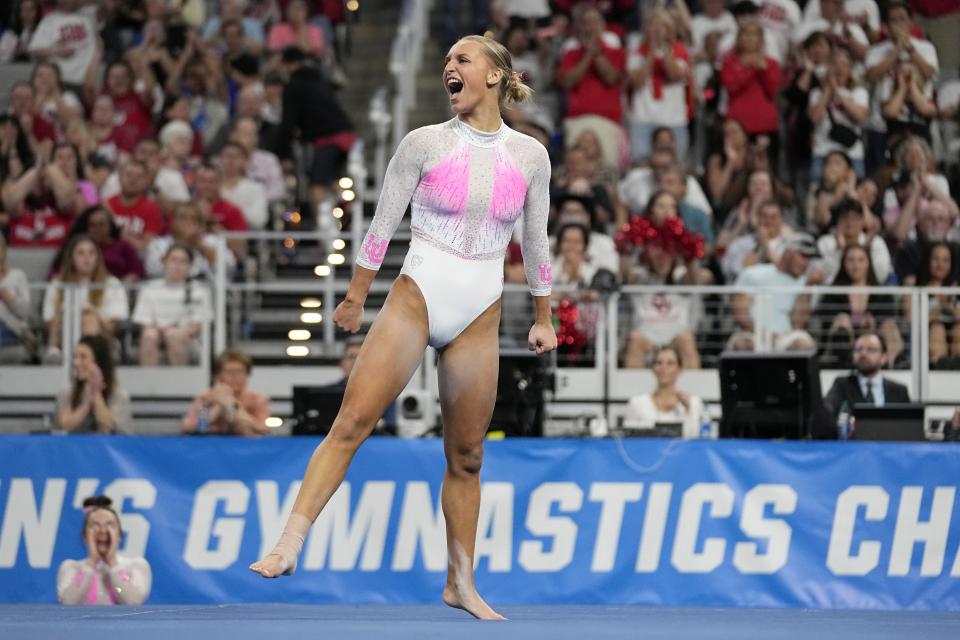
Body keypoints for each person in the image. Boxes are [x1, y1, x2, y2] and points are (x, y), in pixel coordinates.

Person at [250, 35, 556, 621]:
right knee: (352, 423)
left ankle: (460, 581)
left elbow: (536, 240)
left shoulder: (531, 156)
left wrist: (545, 316)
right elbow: (382, 222)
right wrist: (354, 296)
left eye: (462, 59)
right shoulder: (423, 143)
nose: (450, 66)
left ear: (494, 75)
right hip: (417, 296)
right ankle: (288, 543)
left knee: (467, 456)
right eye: (446, 61)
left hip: (480, 313)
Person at [42, 235, 129, 363]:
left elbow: (112, 326)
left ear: (98, 257)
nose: (87, 258)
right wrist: (64, 314)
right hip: (64, 335)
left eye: (91, 253)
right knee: (65, 314)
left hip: (103, 339)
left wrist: (93, 312)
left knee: (89, 318)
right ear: (71, 258)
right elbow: (48, 323)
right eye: (80, 253)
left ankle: (85, 359)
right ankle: (60, 353)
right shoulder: (57, 284)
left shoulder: (112, 284)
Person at [730, 234, 822, 352]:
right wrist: (764, 334)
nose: (807, 263)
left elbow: (798, 324)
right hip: (752, 333)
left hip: (787, 337)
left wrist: (807, 287)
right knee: (742, 344)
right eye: (803, 256)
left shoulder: (808, 284)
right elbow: (740, 312)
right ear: (788, 252)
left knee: (802, 344)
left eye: (810, 259)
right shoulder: (753, 273)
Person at [814, 244, 902, 367]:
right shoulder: (833, 292)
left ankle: (891, 365)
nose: (856, 265)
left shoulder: (882, 294)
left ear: (868, 263)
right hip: (840, 350)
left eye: (861, 260)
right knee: (842, 320)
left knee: (889, 326)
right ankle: (847, 363)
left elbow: (889, 318)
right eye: (851, 260)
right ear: (843, 264)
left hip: (875, 343)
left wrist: (874, 326)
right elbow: (825, 320)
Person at [57, 495, 151, 605]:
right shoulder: (71, 568)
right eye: (95, 525)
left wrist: (113, 564)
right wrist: (91, 563)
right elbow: (69, 603)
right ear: (84, 536)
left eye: (109, 525)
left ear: (119, 535)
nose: (103, 531)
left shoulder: (135, 565)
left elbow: (133, 602)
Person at [132, 244, 213, 367]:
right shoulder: (149, 288)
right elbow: (144, 323)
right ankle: (148, 382)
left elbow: (197, 326)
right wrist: (164, 330)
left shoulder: (199, 290)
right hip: (156, 334)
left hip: (188, 338)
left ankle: (179, 381)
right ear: (164, 262)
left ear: (190, 266)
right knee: (149, 335)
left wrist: (174, 331)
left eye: (183, 261)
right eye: (173, 260)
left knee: (174, 336)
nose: (177, 266)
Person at [822, 332, 911, 431]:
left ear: (884, 357)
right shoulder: (841, 385)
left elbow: (908, 427)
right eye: (858, 349)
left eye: (871, 349)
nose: (863, 353)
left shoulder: (899, 391)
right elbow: (826, 412)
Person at [182, 348, 270, 435]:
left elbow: (263, 428)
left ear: (247, 374)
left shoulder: (258, 399)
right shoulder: (206, 397)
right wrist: (218, 407)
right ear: (218, 375)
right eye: (229, 372)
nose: (235, 376)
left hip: (245, 446)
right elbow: (188, 427)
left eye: (240, 371)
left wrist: (233, 405)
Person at [55, 334, 132, 434]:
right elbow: (64, 426)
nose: (76, 362)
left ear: (99, 362)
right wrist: (86, 404)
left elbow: (108, 428)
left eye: (83, 357)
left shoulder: (119, 396)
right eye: (75, 357)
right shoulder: (66, 392)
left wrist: (96, 395)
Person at [624, 346, 704, 438]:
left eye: (670, 363)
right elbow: (629, 438)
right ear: (653, 369)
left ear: (679, 370)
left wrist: (688, 410)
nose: (664, 367)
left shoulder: (693, 402)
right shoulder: (637, 403)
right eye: (659, 363)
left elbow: (697, 439)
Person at [0, 235, 34, 361]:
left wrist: (6, 296)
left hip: (13, 332)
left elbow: (25, 312)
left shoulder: (17, 276)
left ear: (3, 250)